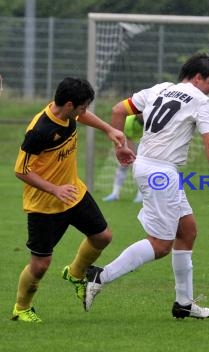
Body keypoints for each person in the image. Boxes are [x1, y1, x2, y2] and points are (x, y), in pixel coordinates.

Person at [85, 53, 209, 319]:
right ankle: (100, 276)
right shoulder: (199, 100)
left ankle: (183, 303)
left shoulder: (160, 89)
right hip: (161, 173)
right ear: (197, 78)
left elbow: (118, 110)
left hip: (147, 166)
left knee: (188, 231)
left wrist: (121, 147)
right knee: (161, 245)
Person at [11, 77, 127, 322]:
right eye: (82, 106)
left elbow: (82, 117)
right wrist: (54, 189)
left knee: (102, 236)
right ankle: (22, 308)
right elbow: (21, 170)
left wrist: (109, 129)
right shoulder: (40, 130)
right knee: (40, 265)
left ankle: (75, 274)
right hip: (44, 204)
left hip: (73, 193)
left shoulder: (67, 113)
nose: (84, 112)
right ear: (69, 105)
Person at [102, 114, 143, 203]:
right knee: (124, 165)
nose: (141, 113)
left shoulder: (152, 118)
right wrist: (131, 157)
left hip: (146, 143)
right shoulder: (129, 121)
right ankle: (115, 194)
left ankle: (141, 195)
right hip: (131, 141)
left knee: (141, 169)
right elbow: (129, 139)